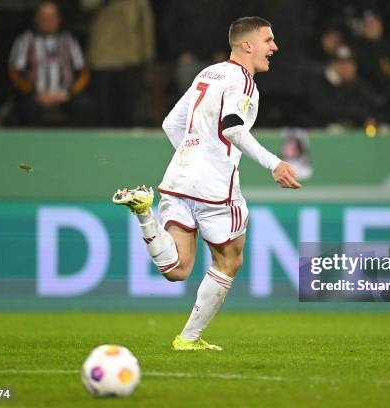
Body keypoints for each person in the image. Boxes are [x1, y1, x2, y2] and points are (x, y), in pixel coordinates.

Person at [112, 16, 300, 351]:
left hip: (179, 177)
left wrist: (194, 155)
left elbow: (172, 123)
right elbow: (232, 128)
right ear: (248, 45)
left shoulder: (208, 73)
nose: (274, 47)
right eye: (269, 40)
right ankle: (188, 339)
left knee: (178, 268)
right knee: (230, 260)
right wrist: (274, 163)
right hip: (214, 185)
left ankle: (144, 213)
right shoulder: (243, 81)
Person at [8, 1, 92, 126]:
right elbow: (15, 72)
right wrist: (35, 93)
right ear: (37, 20)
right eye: (43, 17)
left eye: (51, 17)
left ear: (58, 19)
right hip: (36, 95)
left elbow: (83, 71)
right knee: (26, 108)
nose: (47, 21)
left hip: (65, 95)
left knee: (84, 105)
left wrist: (69, 92)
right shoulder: (25, 40)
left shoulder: (69, 40)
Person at [84, 0, 155, 127]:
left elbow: (146, 20)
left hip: (131, 57)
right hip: (102, 57)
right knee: (103, 111)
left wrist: (148, 53)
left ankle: (127, 144)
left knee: (128, 110)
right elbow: (86, 5)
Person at [306, 45, 384, 127]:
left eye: (350, 63)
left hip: (354, 130)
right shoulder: (320, 81)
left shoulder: (357, 84)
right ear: (333, 64)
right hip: (323, 130)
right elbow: (324, 110)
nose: (347, 68)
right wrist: (359, 114)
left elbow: (374, 104)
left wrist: (370, 118)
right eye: (342, 63)